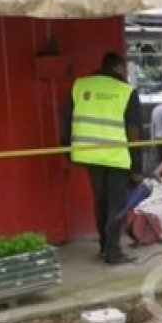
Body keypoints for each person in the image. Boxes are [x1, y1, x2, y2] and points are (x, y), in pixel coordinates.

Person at [62, 52, 143, 265]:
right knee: (117, 204)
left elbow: (66, 121)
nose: (126, 74)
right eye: (125, 70)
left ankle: (104, 245)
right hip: (116, 156)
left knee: (101, 202)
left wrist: (68, 151)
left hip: (89, 154)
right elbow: (134, 132)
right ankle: (114, 252)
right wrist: (137, 168)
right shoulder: (126, 91)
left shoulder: (80, 85)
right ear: (118, 68)